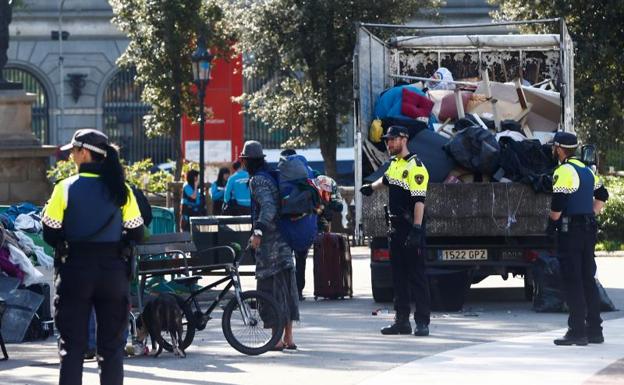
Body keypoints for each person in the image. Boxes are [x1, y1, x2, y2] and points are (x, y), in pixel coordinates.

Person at [42, 128, 144, 385]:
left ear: (84, 153)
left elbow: (49, 232)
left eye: (73, 151)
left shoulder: (64, 188)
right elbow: (137, 232)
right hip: (113, 272)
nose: (70, 156)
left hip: (75, 270)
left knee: (72, 348)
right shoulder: (123, 191)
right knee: (111, 349)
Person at [360, 125, 431, 337]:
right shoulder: (395, 164)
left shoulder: (416, 167)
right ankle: (401, 322)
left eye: (392, 140)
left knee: (417, 276)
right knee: (398, 278)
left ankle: (422, 322)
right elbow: (387, 180)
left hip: (411, 228)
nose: (389, 143)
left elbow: (419, 201)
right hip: (395, 228)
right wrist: (371, 188)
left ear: (404, 139)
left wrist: (417, 229)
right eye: (387, 140)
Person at [547, 132, 609, 346]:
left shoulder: (564, 170)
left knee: (572, 280)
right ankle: (595, 331)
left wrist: (552, 223)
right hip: (588, 230)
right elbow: (602, 196)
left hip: (570, 232)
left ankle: (577, 331)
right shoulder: (588, 170)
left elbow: (558, 204)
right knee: (587, 279)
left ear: (559, 149)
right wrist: (590, 213)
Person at [242, 140, 299, 350]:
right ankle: (289, 338)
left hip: (270, 248)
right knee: (288, 291)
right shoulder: (273, 176)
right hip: (285, 242)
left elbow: (268, 207)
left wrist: (258, 231)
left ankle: (275, 340)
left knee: (271, 292)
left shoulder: (257, 181)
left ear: (246, 161)